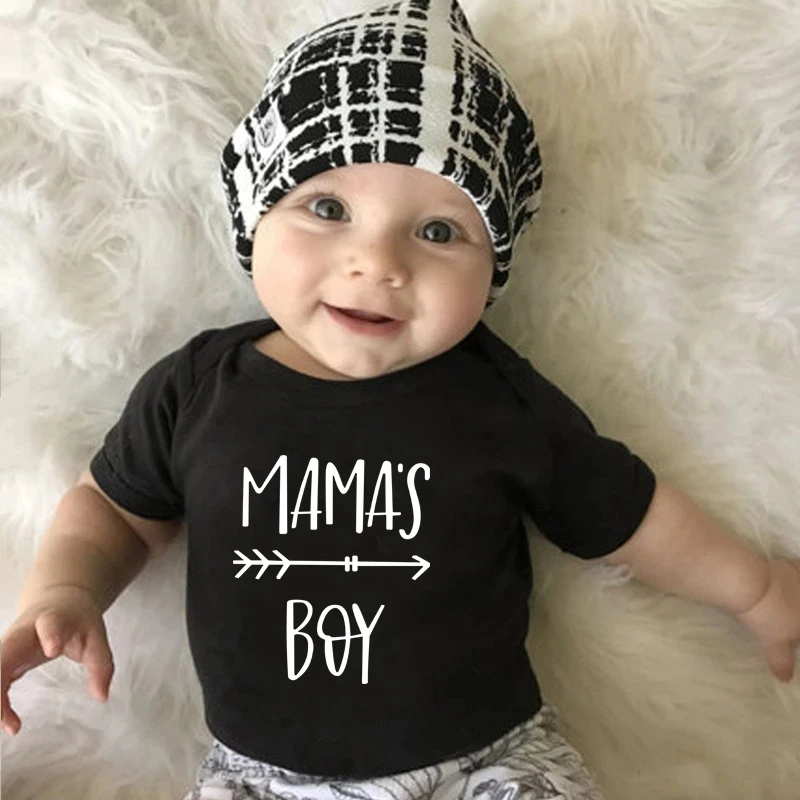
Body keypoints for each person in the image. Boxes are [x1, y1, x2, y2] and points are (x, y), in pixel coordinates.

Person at [2, 1, 799, 798]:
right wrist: (65, 590)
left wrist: (756, 588)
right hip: (260, 777)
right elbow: (113, 509)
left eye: (439, 232)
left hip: (487, 762)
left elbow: (627, 512)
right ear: (256, 213)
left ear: (493, 267)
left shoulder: (495, 397)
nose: (377, 261)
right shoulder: (198, 388)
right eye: (328, 209)